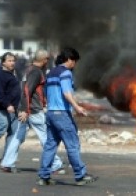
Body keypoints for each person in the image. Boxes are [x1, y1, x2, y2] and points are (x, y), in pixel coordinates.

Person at [37, 47, 98, 186]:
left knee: (50, 146)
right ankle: (80, 175)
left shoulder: (51, 73)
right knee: (72, 145)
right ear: (69, 59)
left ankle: (44, 176)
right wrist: (77, 107)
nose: (74, 64)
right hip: (61, 114)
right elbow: (66, 93)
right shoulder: (66, 73)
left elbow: (46, 93)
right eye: (74, 61)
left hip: (51, 113)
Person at [0, 49, 65, 174]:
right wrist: (25, 110)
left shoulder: (28, 69)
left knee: (18, 137)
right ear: (44, 59)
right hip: (33, 110)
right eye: (47, 59)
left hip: (25, 109)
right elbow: (27, 91)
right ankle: (55, 164)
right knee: (46, 137)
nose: (48, 62)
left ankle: (7, 163)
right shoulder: (35, 72)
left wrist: (22, 108)